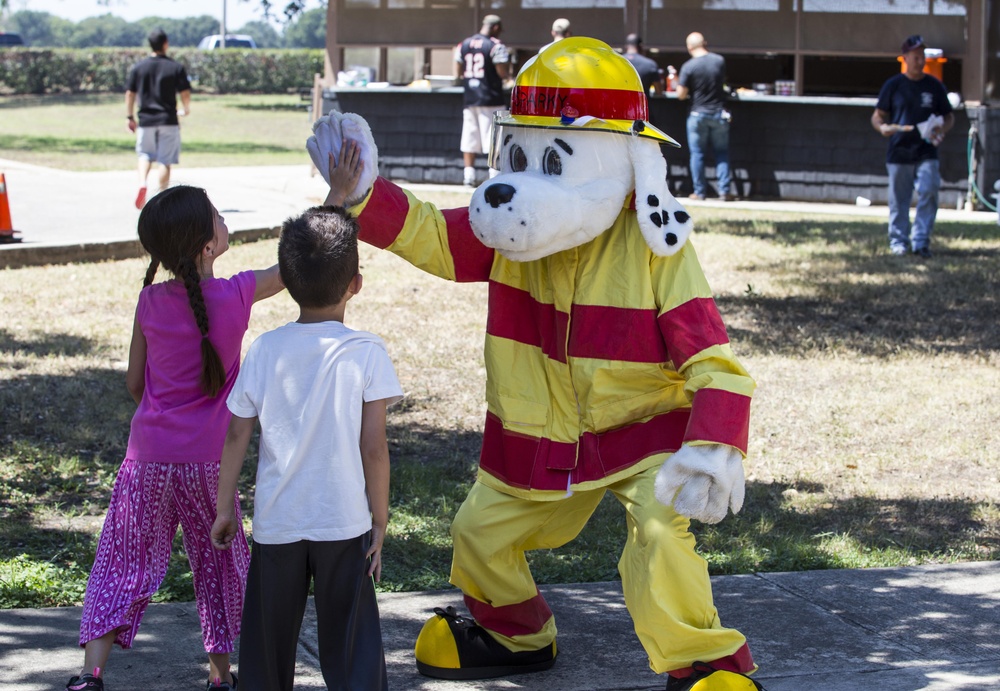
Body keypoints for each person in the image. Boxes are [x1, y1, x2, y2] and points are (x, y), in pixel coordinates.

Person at [66, 186, 283, 691]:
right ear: (207, 245)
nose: (225, 221)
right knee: (221, 565)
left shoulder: (149, 301)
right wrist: (337, 197)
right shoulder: (237, 294)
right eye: (218, 217)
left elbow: (134, 384)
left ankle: (89, 674)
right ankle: (219, 676)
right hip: (211, 464)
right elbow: (299, 262)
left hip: (147, 461)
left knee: (122, 561)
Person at [210, 191, 404, 690]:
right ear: (355, 285)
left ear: (289, 281)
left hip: (277, 522)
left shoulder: (265, 349)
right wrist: (379, 521)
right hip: (343, 522)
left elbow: (236, 434)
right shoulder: (367, 352)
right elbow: (375, 448)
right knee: (351, 645)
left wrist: (224, 507)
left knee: (266, 649)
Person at [871, 34, 954, 258]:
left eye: (922, 56)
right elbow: (877, 117)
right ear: (905, 57)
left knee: (928, 191)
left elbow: (949, 117)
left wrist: (941, 129)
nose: (920, 60)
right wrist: (883, 128)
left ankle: (921, 241)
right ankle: (898, 241)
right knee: (899, 200)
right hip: (899, 151)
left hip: (926, 150)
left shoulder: (934, 86)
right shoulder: (893, 85)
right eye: (915, 56)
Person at [125, 29, 192, 210]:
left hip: (146, 120)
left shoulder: (138, 68)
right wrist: (186, 109)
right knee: (164, 160)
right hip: (168, 119)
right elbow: (185, 92)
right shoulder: (175, 67)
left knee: (145, 154)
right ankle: (161, 198)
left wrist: (130, 116)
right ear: (166, 43)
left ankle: (142, 184)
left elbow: (130, 93)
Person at [676, 31, 734, 201]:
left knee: (697, 154)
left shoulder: (689, 66)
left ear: (689, 47)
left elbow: (680, 94)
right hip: (718, 113)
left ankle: (699, 192)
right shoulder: (719, 61)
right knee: (722, 152)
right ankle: (724, 191)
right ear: (705, 43)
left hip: (697, 114)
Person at [455, 15, 512, 187]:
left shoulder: (464, 44)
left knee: (469, 138)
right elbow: (502, 73)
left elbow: (458, 70)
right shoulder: (495, 45)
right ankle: (494, 176)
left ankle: (468, 176)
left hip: (470, 97)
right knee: (493, 139)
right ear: (495, 27)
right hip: (491, 97)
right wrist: (509, 77)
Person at [623, 34, 663, 99]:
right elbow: (659, 91)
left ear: (626, 46)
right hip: (642, 106)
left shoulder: (617, 63)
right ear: (641, 47)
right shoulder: (650, 64)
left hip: (622, 105)